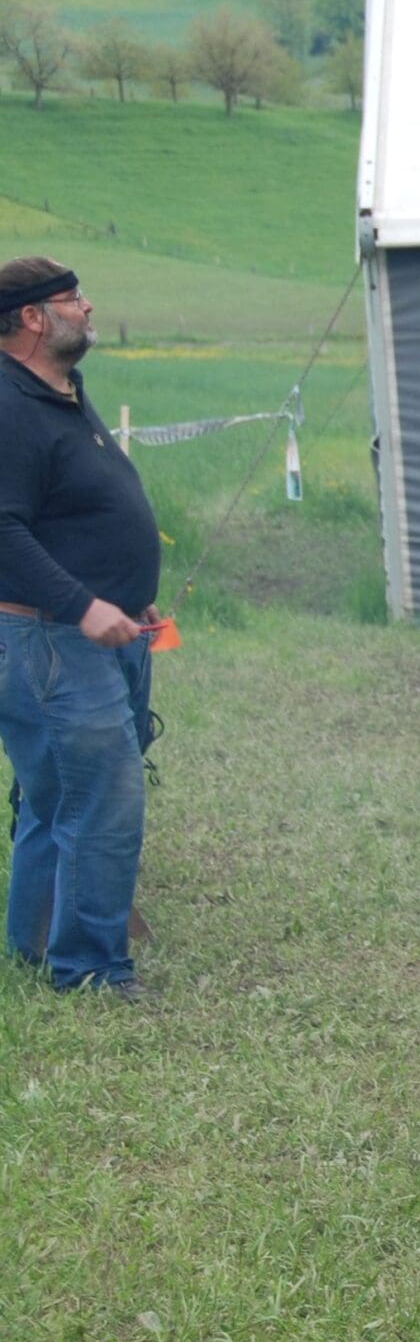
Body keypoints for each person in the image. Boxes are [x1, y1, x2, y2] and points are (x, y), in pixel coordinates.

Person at [0, 258, 160, 996]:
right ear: (32, 318)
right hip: (53, 640)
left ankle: (33, 946)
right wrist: (84, 604)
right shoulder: (7, 405)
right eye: (73, 300)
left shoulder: (59, 391)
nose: (89, 308)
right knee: (103, 802)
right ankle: (92, 968)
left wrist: (125, 597)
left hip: (102, 631)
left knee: (55, 796)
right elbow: (4, 530)